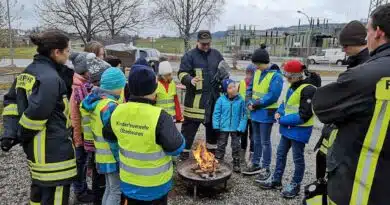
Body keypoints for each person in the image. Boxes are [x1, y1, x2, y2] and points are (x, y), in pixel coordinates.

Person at [313, 4, 390, 204]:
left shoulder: (366, 74)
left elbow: (321, 105)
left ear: (378, 32)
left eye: (368, 31)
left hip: (362, 184)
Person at [0, 31, 76, 204]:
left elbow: (12, 102)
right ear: (57, 52)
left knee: (38, 192)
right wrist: (22, 134)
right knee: (55, 195)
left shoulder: (28, 72)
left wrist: (10, 133)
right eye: (67, 50)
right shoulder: (49, 78)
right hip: (53, 152)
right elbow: (38, 113)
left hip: (36, 152)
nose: (69, 54)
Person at [304, 20, 369, 204]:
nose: (344, 49)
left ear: (361, 42)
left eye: (346, 45)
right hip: (333, 135)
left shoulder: (365, 69)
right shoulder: (357, 63)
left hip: (347, 141)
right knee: (322, 162)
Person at [103, 66, 185, 205]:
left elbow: (109, 137)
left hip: (128, 182)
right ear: (154, 89)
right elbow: (176, 148)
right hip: (156, 185)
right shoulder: (160, 116)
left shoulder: (117, 111)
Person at [258, 60, 317, 199]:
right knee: (280, 154)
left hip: (299, 130)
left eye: (289, 76)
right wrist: (279, 111)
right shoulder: (292, 86)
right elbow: (285, 103)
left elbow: (305, 115)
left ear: (297, 75)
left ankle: (295, 185)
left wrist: (281, 120)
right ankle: (276, 180)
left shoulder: (308, 89)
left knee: (297, 159)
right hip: (287, 129)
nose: (286, 79)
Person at [81, 67, 126, 205]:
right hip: (112, 156)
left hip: (101, 155)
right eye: (122, 85)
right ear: (116, 87)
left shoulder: (97, 102)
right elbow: (113, 136)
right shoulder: (110, 106)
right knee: (116, 191)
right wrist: (120, 159)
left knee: (110, 188)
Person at [178, 30, 224, 160]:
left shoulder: (217, 55)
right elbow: (181, 73)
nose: (206, 46)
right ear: (197, 42)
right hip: (195, 102)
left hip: (213, 100)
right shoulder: (189, 56)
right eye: (203, 44)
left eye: (208, 43)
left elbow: (224, 71)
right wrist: (189, 80)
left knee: (213, 129)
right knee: (188, 130)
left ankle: (211, 155)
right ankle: (183, 153)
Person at [242, 47, 283, 178]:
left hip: (266, 113)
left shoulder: (276, 76)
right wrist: (248, 102)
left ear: (265, 62)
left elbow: (273, 95)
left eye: (258, 64)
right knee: (256, 139)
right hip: (254, 112)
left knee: (265, 142)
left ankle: (266, 167)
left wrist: (256, 104)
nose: (256, 67)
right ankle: (256, 164)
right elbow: (249, 89)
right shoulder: (256, 72)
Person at [69, 51, 98, 203]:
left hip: (83, 133)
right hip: (78, 133)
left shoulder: (82, 83)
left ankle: (83, 188)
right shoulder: (77, 86)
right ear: (84, 70)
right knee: (79, 163)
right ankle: (79, 191)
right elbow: (74, 116)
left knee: (83, 162)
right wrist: (78, 137)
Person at [213, 79, 247, 173]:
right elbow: (216, 114)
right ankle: (218, 161)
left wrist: (241, 127)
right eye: (230, 87)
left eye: (234, 86)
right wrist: (216, 126)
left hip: (236, 128)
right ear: (225, 90)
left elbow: (244, 115)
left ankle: (236, 163)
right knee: (221, 145)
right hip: (223, 127)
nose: (233, 89)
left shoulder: (241, 100)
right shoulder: (221, 100)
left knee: (236, 146)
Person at [238, 64, 256, 165]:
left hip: (253, 116)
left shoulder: (256, 84)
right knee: (243, 136)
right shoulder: (241, 83)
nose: (248, 76)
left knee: (253, 137)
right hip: (243, 116)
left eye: (251, 74)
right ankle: (242, 156)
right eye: (247, 73)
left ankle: (251, 157)